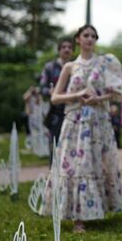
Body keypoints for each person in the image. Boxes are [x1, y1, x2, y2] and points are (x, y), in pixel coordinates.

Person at [38, 24, 122, 233]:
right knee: (77, 166)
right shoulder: (70, 67)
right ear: (78, 39)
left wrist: (99, 98)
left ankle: (96, 210)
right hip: (74, 122)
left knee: (96, 165)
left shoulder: (105, 63)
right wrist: (77, 96)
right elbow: (55, 97)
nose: (90, 39)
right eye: (86, 35)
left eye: (93, 36)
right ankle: (78, 218)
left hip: (98, 122)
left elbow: (119, 91)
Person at [40, 37, 74, 165]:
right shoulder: (49, 67)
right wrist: (49, 92)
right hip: (55, 112)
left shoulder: (76, 67)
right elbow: (42, 88)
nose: (67, 49)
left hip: (72, 110)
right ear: (59, 50)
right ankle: (53, 177)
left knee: (72, 146)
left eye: (70, 47)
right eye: (64, 47)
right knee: (54, 144)